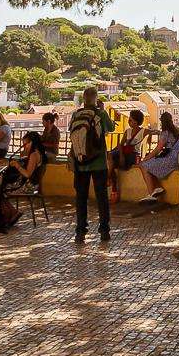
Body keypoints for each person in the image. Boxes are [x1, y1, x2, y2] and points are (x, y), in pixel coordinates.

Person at [68, 87, 115, 244]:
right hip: (98, 161)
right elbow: (111, 128)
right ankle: (104, 231)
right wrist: (102, 110)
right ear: (95, 98)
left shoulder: (76, 114)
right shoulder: (100, 114)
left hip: (80, 161)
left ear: (83, 99)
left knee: (81, 198)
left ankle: (80, 232)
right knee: (102, 197)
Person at [137, 112, 179, 203]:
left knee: (143, 165)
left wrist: (146, 158)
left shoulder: (165, 133)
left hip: (170, 159)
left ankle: (151, 194)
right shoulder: (176, 130)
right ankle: (157, 188)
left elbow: (158, 149)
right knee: (151, 165)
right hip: (177, 158)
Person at [109, 109, 148, 204]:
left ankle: (111, 184)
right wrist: (121, 156)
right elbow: (121, 144)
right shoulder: (128, 131)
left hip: (132, 155)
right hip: (124, 153)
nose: (129, 122)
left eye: (131, 120)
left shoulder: (143, 131)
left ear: (136, 122)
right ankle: (111, 181)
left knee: (112, 164)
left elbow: (154, 132)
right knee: (111, 161)